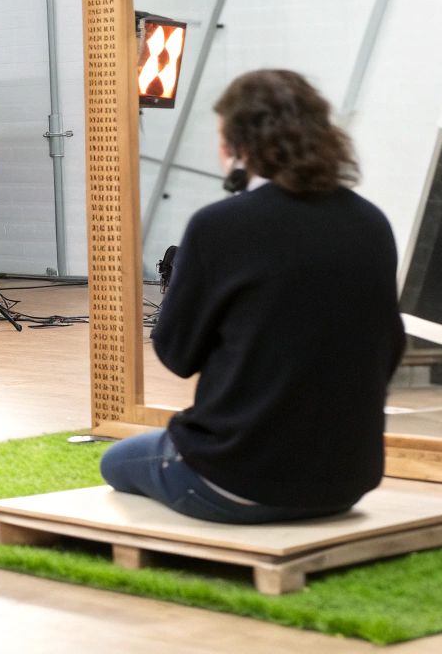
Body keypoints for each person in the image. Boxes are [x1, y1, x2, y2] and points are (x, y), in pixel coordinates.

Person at [100, 69, 405, 524]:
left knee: (116, 460)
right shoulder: (371, 222)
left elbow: (177, 353)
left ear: (239, 147)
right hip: (346, 480)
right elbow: (390, 348)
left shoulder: (219, 225)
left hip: (235, 476)